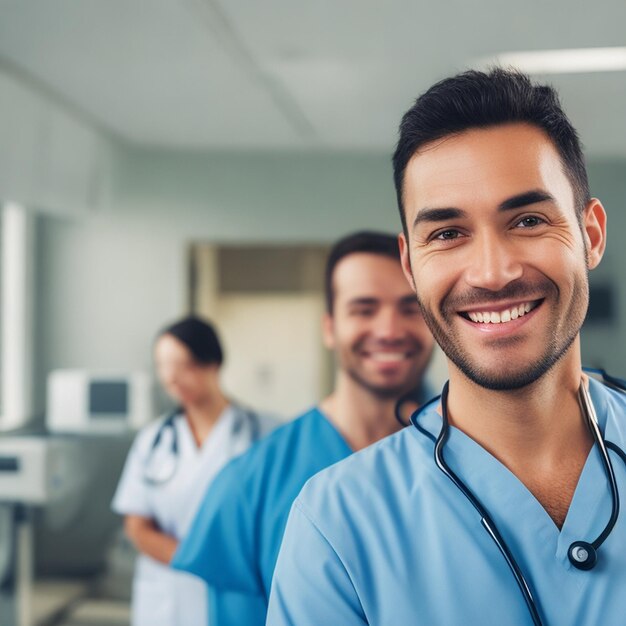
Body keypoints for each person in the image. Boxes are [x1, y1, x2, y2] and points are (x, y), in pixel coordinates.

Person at [267, 69, 626, 626]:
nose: (492, 273)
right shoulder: (338, 525)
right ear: (411, 265)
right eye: (447, 233)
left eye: (528, 220)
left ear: (592, 235)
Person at [171, 231, 436, 626]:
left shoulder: (466, 463)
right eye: (364, 309)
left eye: (411, 308)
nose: (389, 329)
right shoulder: (249, 486)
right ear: (329, 328)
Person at [112, 316, 277, 626]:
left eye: (183, 365)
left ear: (212, 362)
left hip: (239, 592)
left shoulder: (265, 435)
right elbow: (136, 525)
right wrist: (201, 561)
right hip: (166, 597)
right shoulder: (152, 441)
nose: (172, 378)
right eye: (163, 366)